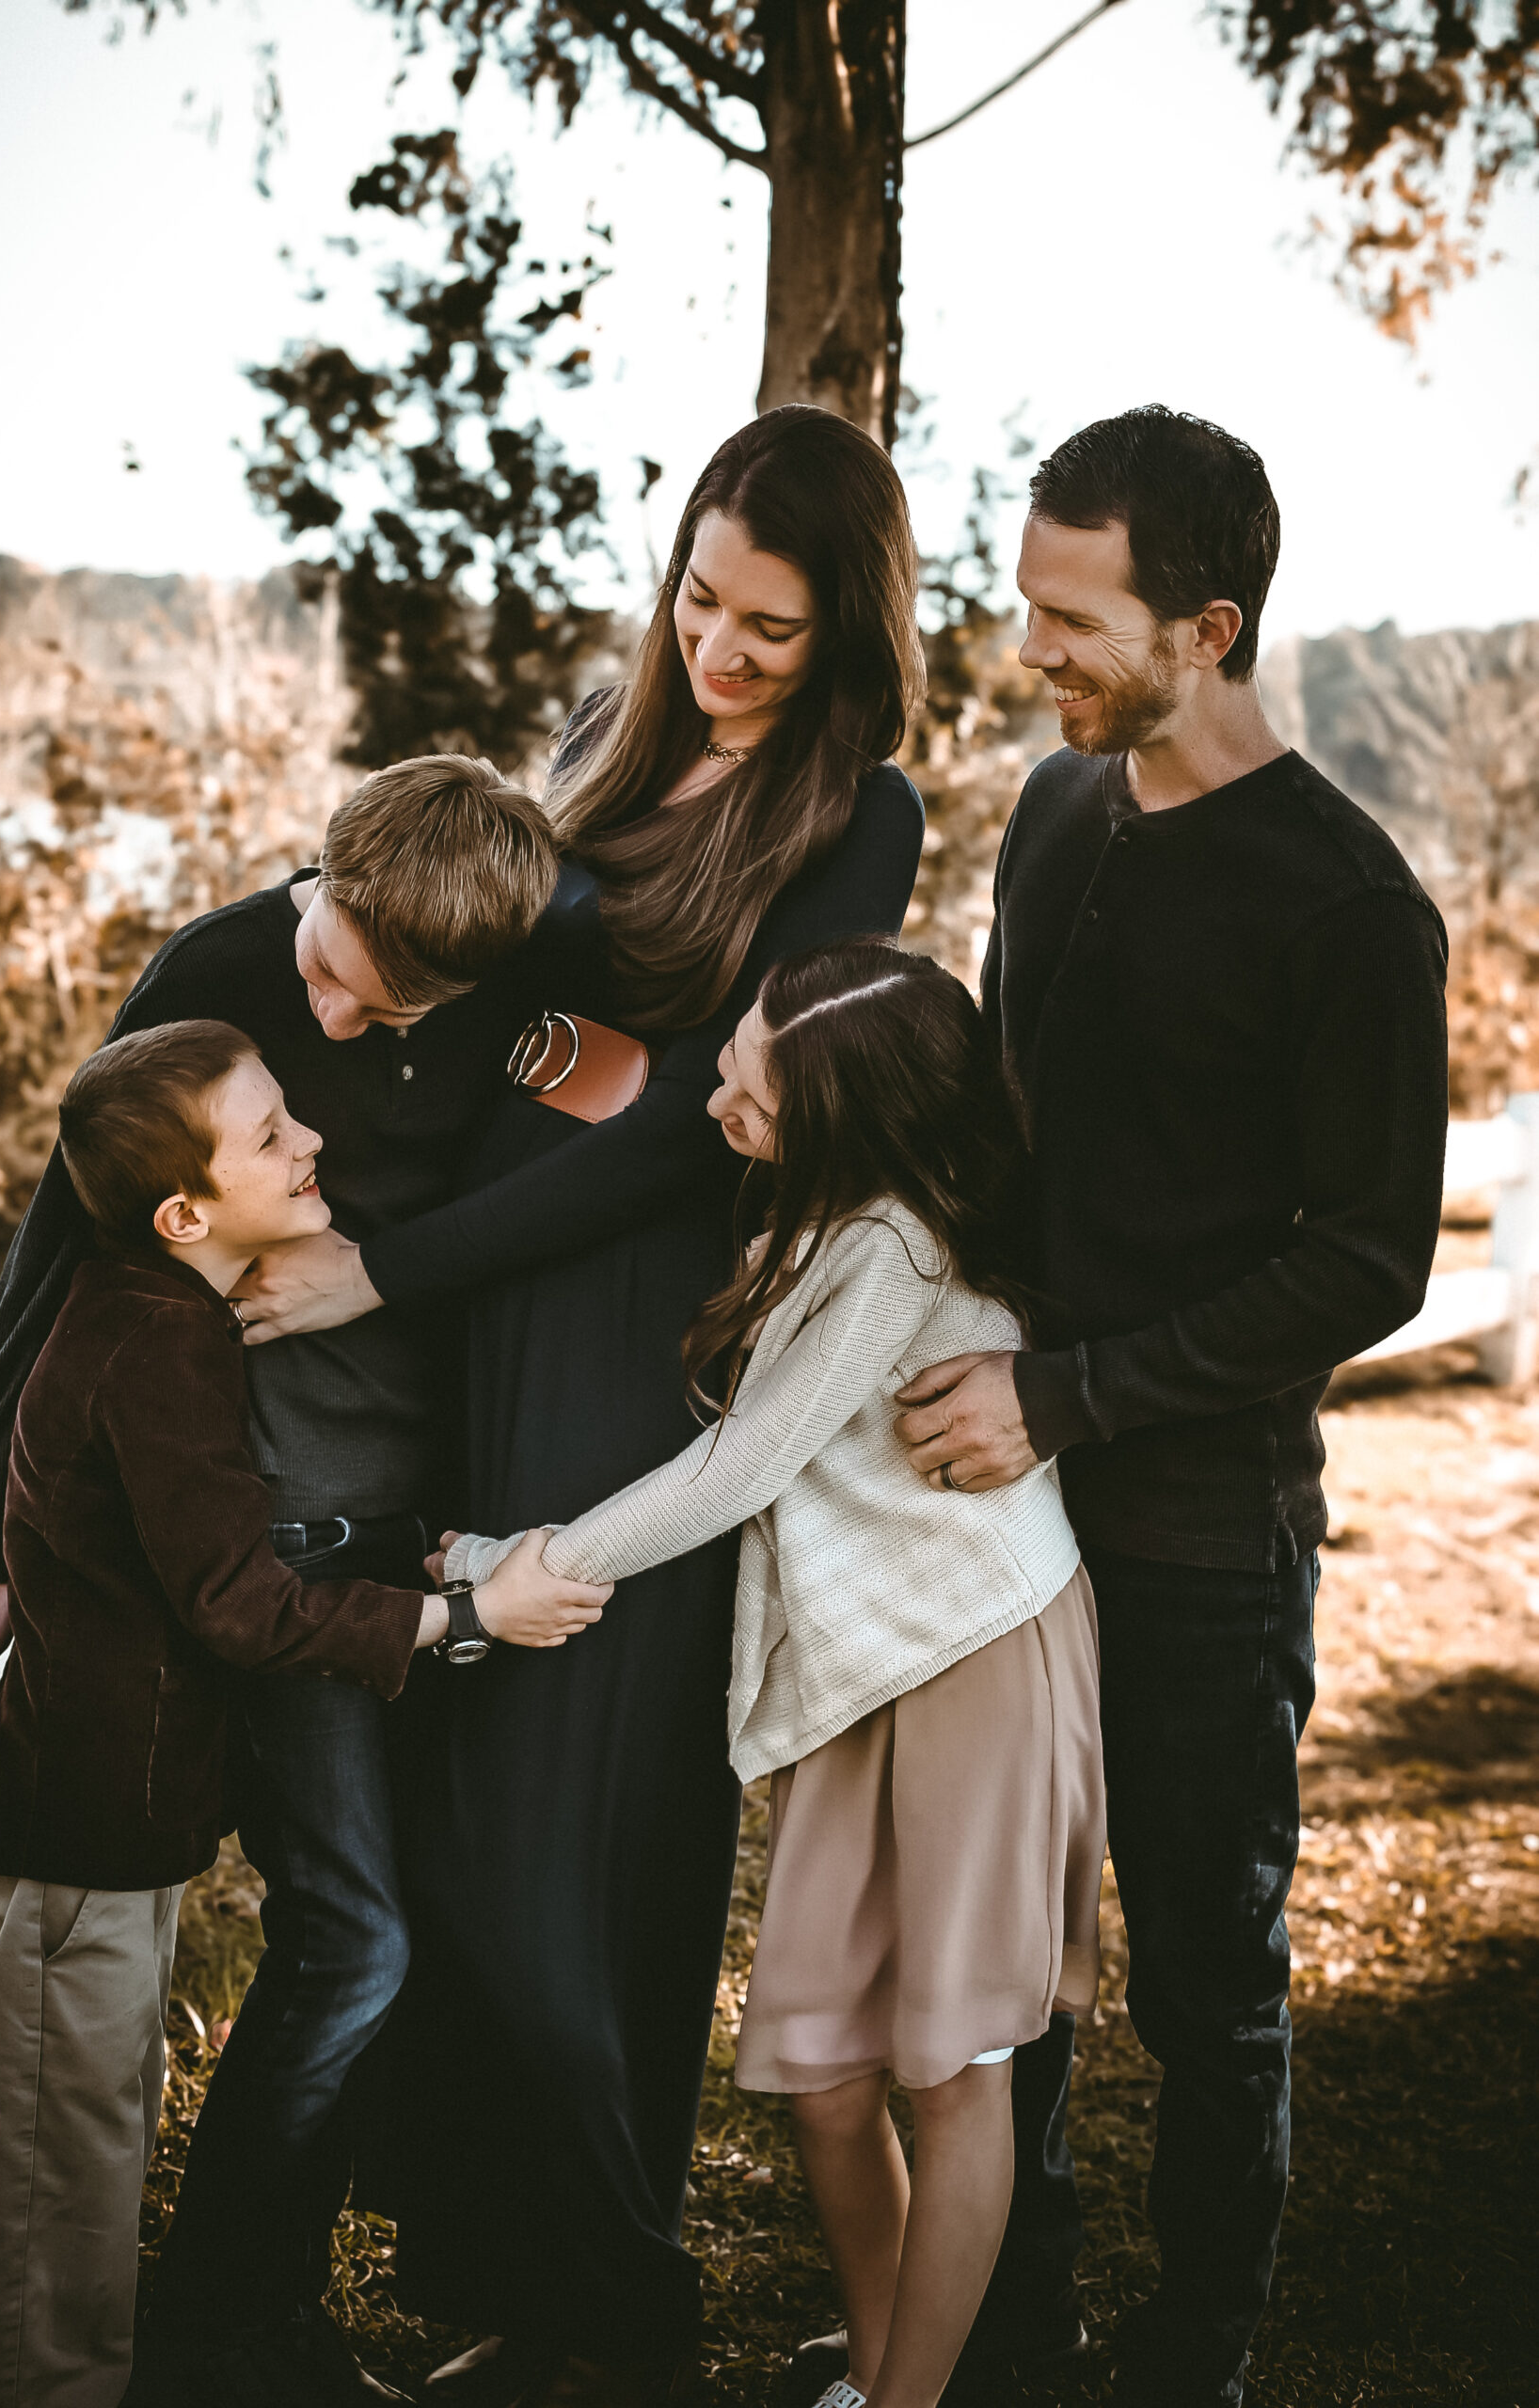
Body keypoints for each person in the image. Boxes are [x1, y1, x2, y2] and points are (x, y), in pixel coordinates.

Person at [230, 406, 928, 2403]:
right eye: (699, 595)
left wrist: (387, 1263)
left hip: (629, 1344)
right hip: (469, 1340)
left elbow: (688, 1139)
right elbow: (475, 1021)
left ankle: (620, 2300)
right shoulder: (590, 759)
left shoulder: (851, 818)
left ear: (845, 635)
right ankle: (507, 2278)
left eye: (769, 627)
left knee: (569, 1845)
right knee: (452, 1829)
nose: (716, 644)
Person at [892, 405, 1450, 2408]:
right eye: (1022, 600)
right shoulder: (1052, 810)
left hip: (1203, 1528)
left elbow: (1364, 1257)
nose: (1027, 647)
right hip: (996, 1509)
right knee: (1002, 1972)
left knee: (1206, 1980)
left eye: (1069, 615)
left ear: (1203, 627)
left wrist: (1073, 1393)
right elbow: (999, 1127)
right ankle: (1008, 2332)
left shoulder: (1345, 905)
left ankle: (1193, 2344)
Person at [0, 754, 560, 2404]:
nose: (335, 1030)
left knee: (385, 1929)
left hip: (410, 1515)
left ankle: (266, 2293)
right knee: (348, 1935)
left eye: (377, 1012)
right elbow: (58, 1253)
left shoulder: (508, 1008)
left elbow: (586, 1161)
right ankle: (223, 2319)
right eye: (334, 975)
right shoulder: (223, 975)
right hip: (277, 1525)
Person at [435, 940, 1105, 2408]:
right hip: (862, 1682)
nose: (726, 1075)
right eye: (745, 1039)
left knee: (953, 2069)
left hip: (973, 1664)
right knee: (819, 2073)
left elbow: (739, 1468)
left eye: (760, 1071)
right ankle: (881, 2369)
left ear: (848, 1117)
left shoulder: (890, 1253)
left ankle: (910, 2397)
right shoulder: (811, 1219)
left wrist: (531, 1562)